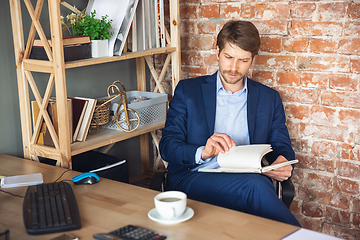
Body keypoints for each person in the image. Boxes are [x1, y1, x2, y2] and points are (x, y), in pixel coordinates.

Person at [159, 20, 301, 227]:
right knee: (256, 187)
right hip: (195, 177)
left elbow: (281, 146)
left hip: (248, 178)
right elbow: (168, 146)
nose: (234, 68)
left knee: (255, 187)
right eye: (228, 57)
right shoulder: (188, 91)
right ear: (217, 52)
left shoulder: (269, 98)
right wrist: (203, 152)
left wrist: (283, 162)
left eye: (243, 60)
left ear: (253, 59)